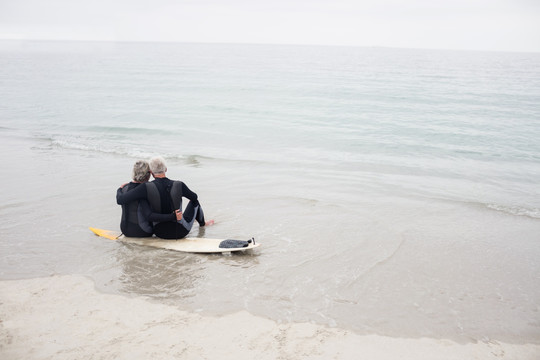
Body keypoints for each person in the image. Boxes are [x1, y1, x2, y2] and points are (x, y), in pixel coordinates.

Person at [116, 156, 214, 239]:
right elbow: (194, 197)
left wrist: (120, 189)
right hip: (179, 232)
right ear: (166, 169)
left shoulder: (145, 187)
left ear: (152, 173)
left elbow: (122, 199)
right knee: (194, 202)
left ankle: (188, 219)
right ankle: (203, 224)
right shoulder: (179, 184)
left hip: (158, 232)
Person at [117, 160, 177, 237]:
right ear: (148, 174)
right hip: (142, 231)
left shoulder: (124, 188)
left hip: (124, 230)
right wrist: (173, 216)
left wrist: (119, 189)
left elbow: (119, 199)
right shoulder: (146, 189)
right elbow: (149, 216)